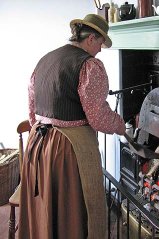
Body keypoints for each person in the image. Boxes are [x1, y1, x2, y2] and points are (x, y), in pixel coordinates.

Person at [18, 14, 125, 239]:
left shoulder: (46, 59)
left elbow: (31, 107)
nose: (101, 50)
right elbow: (97, 116)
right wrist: (120, 125)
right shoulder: (89, 65)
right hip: (67, 150)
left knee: (46, 205)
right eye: (101, 43)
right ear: (91, 39)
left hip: (38, 144)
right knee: (72, 209)